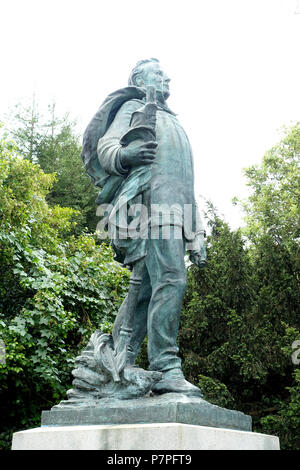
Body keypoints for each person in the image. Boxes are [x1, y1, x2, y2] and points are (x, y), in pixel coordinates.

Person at [91, 58, 206, 397]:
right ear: (140, 79)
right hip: (150, 207)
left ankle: (111, 361)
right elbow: (107, 148)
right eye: (159, 72)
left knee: (143, 294)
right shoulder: (133, 106)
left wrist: (195, 233)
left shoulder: (173, 122)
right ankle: (166, 367)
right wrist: (127, 156)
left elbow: (185, 183)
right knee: (171, 279)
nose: (166, 76)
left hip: (175, 211)